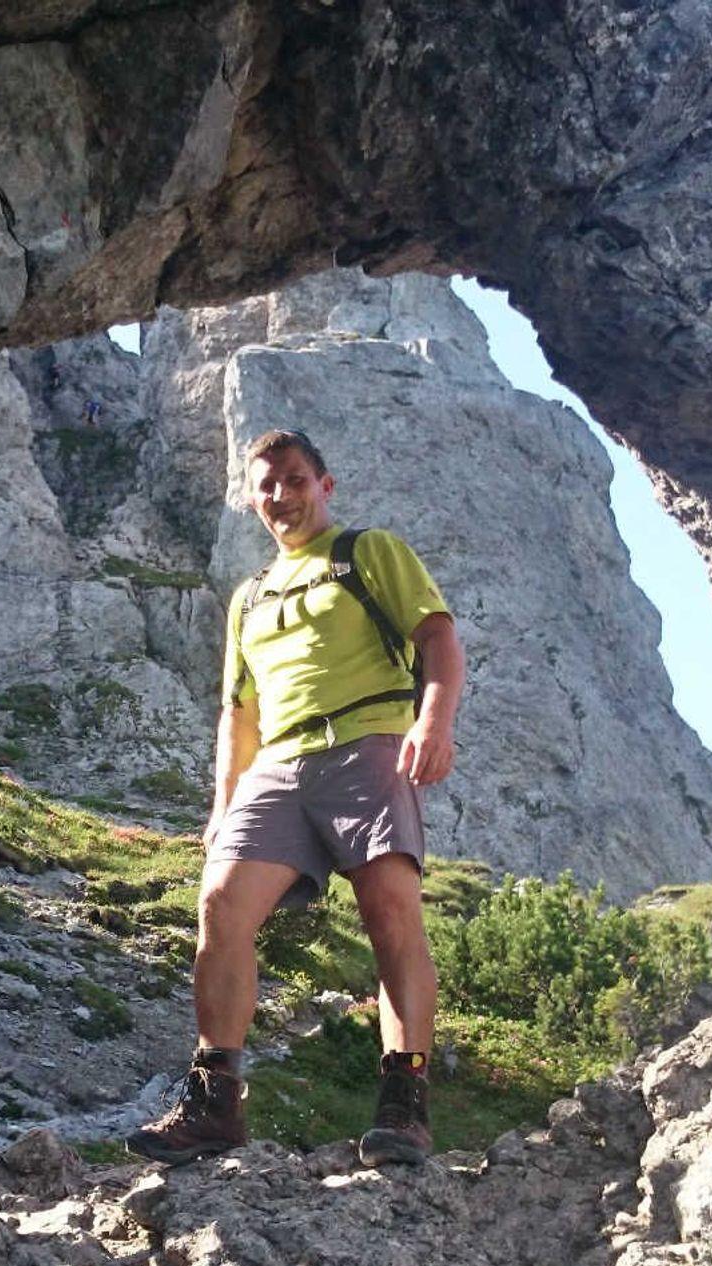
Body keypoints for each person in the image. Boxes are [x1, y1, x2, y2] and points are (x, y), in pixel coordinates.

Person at [128, 429, 466, 1168]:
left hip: (368, 743)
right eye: (267, 485)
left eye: (294, 479)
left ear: (324, 485)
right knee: (221, 904)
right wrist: (222, 806)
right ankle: (214, 1103)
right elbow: (238, 714)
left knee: (390, 912)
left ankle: (404, 1104)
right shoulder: (248, 597)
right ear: (252, 500)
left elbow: (439, 640)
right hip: (277, 766)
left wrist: (433, 724)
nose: (281, 495)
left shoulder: (367, 552)